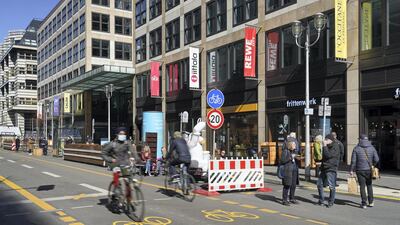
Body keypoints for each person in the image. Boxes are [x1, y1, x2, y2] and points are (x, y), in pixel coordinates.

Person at [350, 134, 379, 209]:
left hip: (359, 170)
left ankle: (364, 203)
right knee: (369, 185)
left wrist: (351, 170)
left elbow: (353, 161)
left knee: (362, 187)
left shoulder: (356, 148)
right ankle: (371, 202)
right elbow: (377, 159)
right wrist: (373, 165)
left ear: (360, 139)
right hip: (369, 169)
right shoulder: (372, 148)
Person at [317, 134, 340, 208]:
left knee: (331, 186)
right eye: (325, 139)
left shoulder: (335, 146)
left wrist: (324, 146)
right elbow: (324, 156)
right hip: (324, 167)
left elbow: (328, 155)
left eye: (327, 140)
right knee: (319, 184)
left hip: (331, 168)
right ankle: (321, 200)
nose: (325, 141)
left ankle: (331, 201)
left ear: (331, 140)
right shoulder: (327, 146)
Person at [280, 140, 300, 206]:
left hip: (294, 170)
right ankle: (284, 200)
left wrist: (298, 158)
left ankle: (292, 198)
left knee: (293, 185)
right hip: (288, 170)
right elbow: (282, 161)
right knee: (287, 185)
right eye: (294, 145)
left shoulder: (294, 151)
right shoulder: (285, 151)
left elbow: (294, 160)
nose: (295, 146)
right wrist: (291, 157)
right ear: (290, 145)